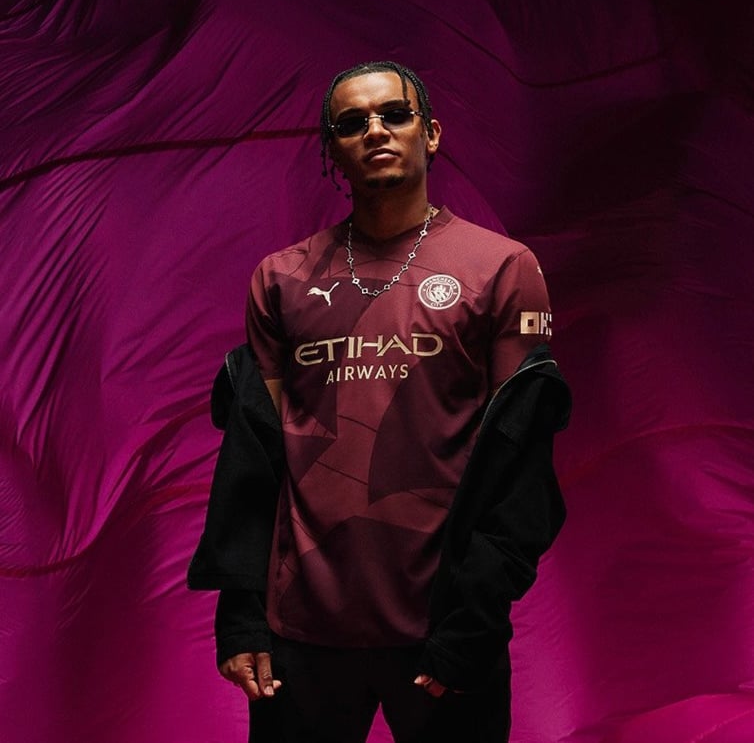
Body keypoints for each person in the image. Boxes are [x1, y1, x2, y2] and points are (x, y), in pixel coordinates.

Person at [188, 60, 571, 743]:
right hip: (299, 631)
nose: (375, 131)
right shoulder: (281, 279)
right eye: (351, 123)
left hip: (445, 624)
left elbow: (520, 463)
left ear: (431, 133)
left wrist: (477, 617)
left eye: (394, 114)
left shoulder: (500, 268)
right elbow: (253, 453)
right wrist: (240, 613)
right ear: (331, 151)